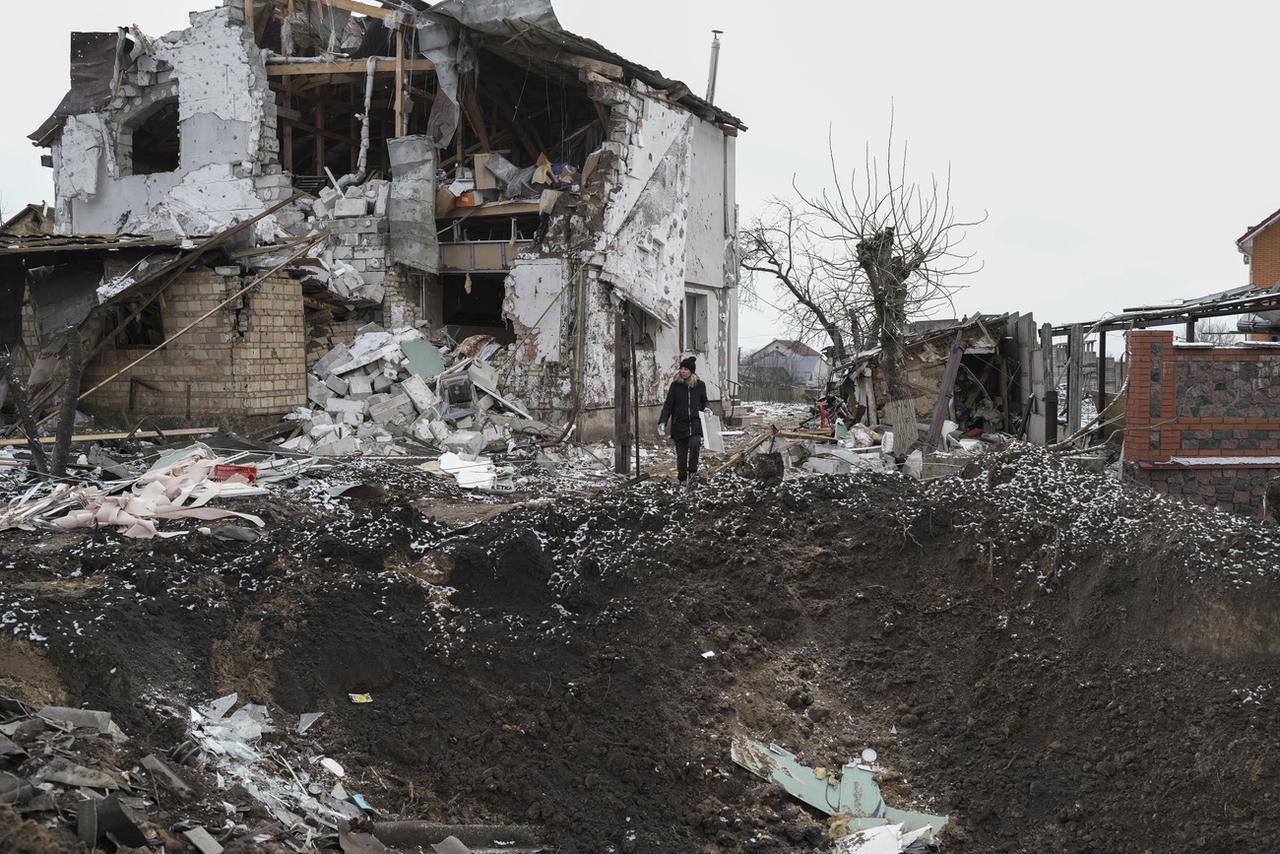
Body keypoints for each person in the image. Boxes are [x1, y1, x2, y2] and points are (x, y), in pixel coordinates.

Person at [658, 356, 710, 491]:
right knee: (681, 455)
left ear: (691, 371)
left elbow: (704, 400)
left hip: (695, 424)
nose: (683, 371)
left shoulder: (700, 385)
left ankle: (692, 471)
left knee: (694, 444)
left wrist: (707, 408)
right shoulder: (675, 386)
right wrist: (663, 421)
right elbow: (668, 405)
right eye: (681, 368)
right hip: (679, 425)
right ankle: (682, 479)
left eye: (686, 369)